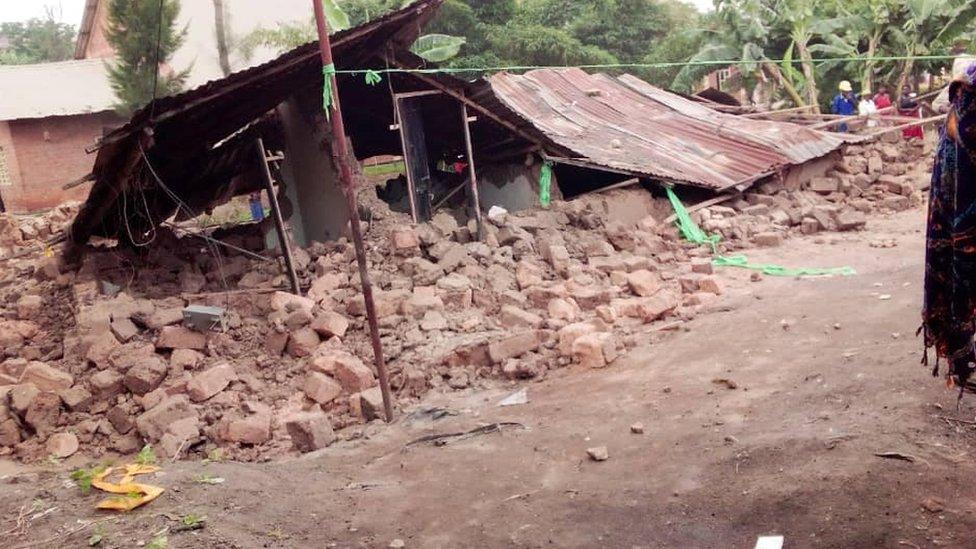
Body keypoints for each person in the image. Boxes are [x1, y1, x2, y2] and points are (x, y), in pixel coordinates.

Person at [922, 61, 976, 391]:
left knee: (963, 279)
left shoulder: (960, 107)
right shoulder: (967, 110)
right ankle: (962, 357)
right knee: (964, 278)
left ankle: (962, 357)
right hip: (964, 219)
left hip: (958, 220)